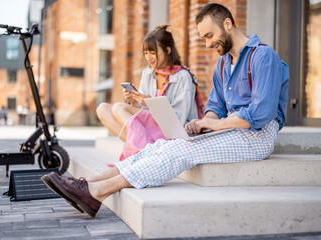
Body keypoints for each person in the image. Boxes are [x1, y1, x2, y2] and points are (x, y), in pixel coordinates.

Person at [41, 3, 289, 218]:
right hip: (232, 130)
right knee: (162, 145)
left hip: (258, 135)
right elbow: (215, 107)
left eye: (210, 35)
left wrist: (217, 124)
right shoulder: (223, 65)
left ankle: (97, 193)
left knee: (181, 150)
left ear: (227, 23)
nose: (208, 43)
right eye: (204, 37)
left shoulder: (263, 56)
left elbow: (261, 113)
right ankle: (87, 183)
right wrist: (204, 122)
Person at [96, 25, 203, 160]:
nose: (149, 57)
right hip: (150, 129)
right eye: (146, 53)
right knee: (103, 109)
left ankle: (140, 153)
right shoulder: (148, 73)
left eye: (153, 52)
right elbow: (143, 113)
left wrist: (151, 102)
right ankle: (144, 151)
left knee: (118, 108)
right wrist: (134, 101)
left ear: (168, 50)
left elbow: (178, 119)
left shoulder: (183, 76)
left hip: (171, 130)